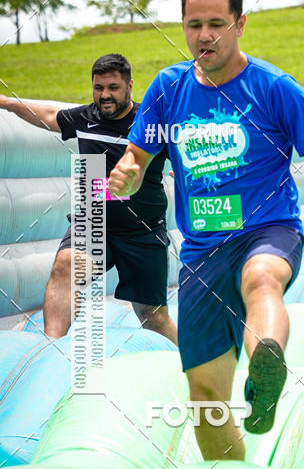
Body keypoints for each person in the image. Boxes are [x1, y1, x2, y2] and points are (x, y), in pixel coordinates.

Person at [108, 0, 304, 462]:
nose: (204, 36)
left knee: (261, 278)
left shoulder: (274, 88)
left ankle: (266, 365)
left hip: (269, 229)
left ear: (240, 24)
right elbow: (137, 162)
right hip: (203, 251)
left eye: (216, 24)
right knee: (206, 400)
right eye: (193, 25)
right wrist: (127, 176)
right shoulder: (168, 89)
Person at [0, 54, 177, 343]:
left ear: (130, 85)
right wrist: (7, 103)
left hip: (142, 231)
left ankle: (192, 364)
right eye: (98, 88)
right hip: (95, 222)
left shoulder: (150, 123)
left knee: (153, 317)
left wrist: (184, 176)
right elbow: (48, 115)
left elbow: (183, 157)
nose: (105, 95)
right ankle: (52, 350)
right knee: (65, 265)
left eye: (113, 87)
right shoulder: (85, 118)